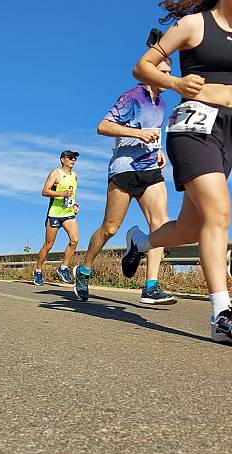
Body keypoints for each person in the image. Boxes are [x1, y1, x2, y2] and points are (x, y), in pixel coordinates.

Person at [122, 0, 232, 342]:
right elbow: (143, 67)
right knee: (219, 212)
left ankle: (140, 242)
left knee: (189, 228)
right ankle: (222, 314)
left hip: (229, 132)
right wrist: (176, 84)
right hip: (194, 126)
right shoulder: (194, 24)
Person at [73, 42, 177, 304]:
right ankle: (84, 270)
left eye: (170, 73)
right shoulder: (132, 96)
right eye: (164, 73)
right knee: (110, 228)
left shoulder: (162, 103)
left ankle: (151, 286)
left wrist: (159, 149)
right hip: (124, 169)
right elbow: (103, 126)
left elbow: (155, 130)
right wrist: (138, 133)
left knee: (161, 223)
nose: (169, 78)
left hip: (150, 168)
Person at [33, 150, 80, 286]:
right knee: (48, 245)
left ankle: (63, 268)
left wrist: (75, 204)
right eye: (70, 157)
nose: (73, 160)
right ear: (62, 159)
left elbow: (73, 194)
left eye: (75, 158)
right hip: (54, 213)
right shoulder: (56, 173)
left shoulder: (75, 176)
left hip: (68, 212)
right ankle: (38, 271)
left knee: (74, 240)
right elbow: (45, 191)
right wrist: (62, 193)